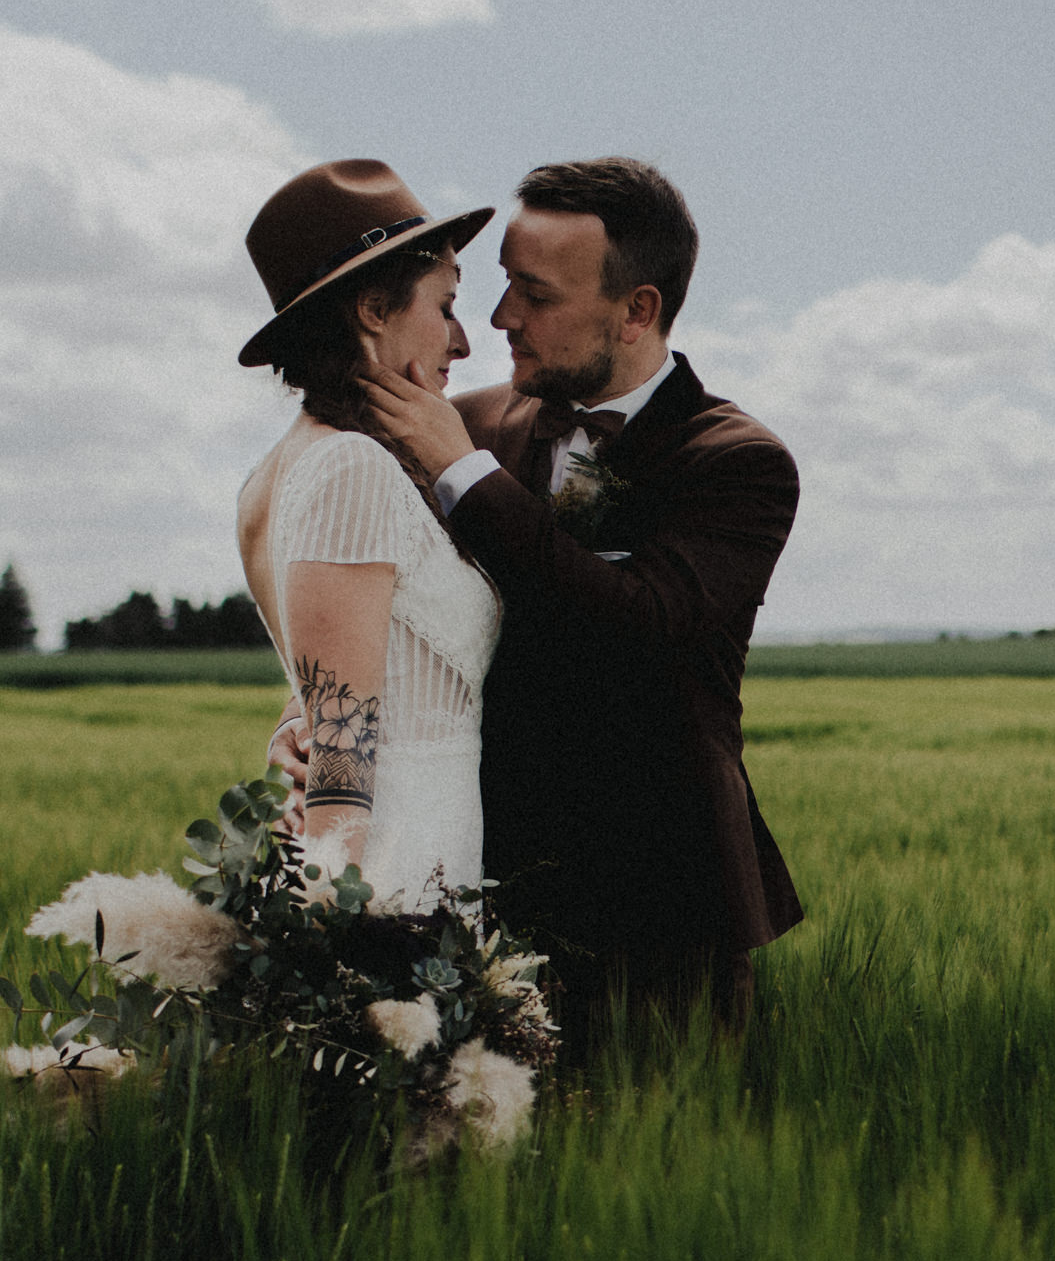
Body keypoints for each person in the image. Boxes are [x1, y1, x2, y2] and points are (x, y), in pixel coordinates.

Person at [348, 157, 804, 1041]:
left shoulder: (737, 461)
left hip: (662, 905)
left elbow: (641, 627)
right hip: (480, 884)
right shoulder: (467, 422)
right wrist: (319, 716)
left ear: (637, 309)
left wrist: (463, 476)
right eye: (500, 284)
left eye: (535, 293)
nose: (499, 317)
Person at [232, 158, 501, 912]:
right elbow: (343, 759)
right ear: (374, 309)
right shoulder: (350, 467)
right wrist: (341, 946)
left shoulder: (277, 470)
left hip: (412, 860)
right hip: (396, 879)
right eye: (445, 306)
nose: (463, 340)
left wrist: (294, 719)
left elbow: (324, 685)